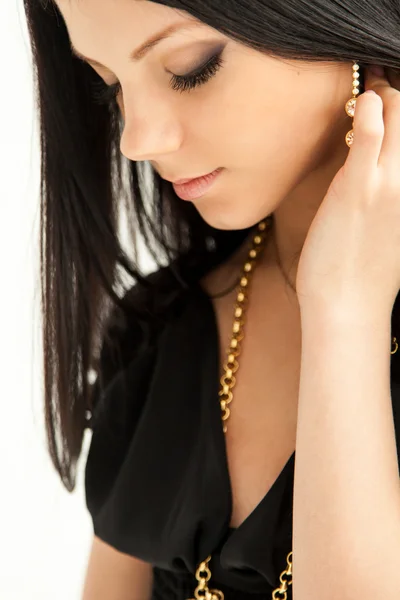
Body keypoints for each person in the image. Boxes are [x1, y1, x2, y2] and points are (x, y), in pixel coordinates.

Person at [23, 0, 400, 598]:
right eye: (110, 84)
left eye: (192, 67)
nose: (137, 139)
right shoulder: (158, 334)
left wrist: (345, 312)